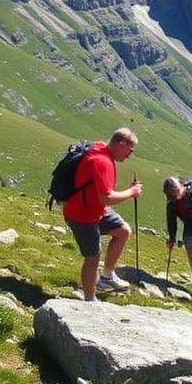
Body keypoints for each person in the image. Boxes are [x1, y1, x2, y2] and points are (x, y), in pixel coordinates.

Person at [63, 128, 143, 301]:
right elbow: (107, 198)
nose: (130, 155)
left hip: (93, 208)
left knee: (123, 231)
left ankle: (107, 277)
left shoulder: (101, 149)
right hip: (82, 214)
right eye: (130, 150)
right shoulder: (102, 161)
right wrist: (131, 191)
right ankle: (90, 299)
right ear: (121, 144)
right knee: (93, 257)